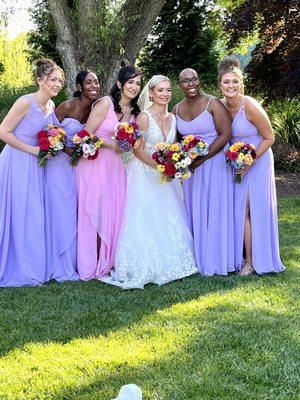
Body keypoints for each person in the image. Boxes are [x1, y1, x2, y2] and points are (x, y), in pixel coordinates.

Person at [101, 75, 197, 289]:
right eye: (160, 90)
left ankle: (173, 259)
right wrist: (160, 167)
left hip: (166, 176)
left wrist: (175, 163)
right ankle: (141, 264)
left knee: (168, 215)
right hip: (145, 173)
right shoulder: (144, 117)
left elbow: (172, 147)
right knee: (145, 217)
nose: (165, 94)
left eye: (168, 90)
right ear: (151, 93)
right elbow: (137, 150)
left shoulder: (174, 118)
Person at [218, 58, 285, 275]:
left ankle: (251, 261)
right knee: (239, 209)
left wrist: (250, 161)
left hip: (258, 161)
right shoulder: (220, 106)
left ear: (241, 85)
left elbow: (269, 137)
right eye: (226, 82)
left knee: (250, 208)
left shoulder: (250, 105)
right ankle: (240, 257)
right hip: (237, 164)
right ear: (220, 85)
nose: (231, 86)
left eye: (234, 82)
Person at [0, 58, 63, 287]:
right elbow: (3, 132)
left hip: (35, 164)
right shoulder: (25, 102)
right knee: (17, 210)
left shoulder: (51, 107)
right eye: (52, 79)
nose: (57, 84)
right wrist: (33, 150)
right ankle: (15, 266)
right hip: (16, 160)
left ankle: (30, 267)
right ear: (40, 80)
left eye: (59, 80)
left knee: (32, 213)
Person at [76, 65, 142, 280]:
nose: (134, 87)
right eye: (130, 82)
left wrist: (126, 146)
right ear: (119, 84)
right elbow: (85, 134)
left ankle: (109, 260)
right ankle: (90, 263)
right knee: (94, 210)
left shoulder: (135, 113)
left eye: (138, 83)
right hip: (94, 163)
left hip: (115, 167)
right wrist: (111, 144)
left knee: (114, 212)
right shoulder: (105, 103)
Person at [173, 68, 235, 276]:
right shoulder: (176, 109)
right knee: (195, 209)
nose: (190, 84)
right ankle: (199, 257)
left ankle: (218, 258)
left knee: (215, 209)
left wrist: (203, 158)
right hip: (192, 169)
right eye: (185, 81)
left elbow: (226, 134)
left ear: (199, 81)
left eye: (194, 79)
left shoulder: (213, 103)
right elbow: (175, 141)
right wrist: (181, 160)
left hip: (214, 163)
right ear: (180, 85)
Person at [44, 70, 100, 282]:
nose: (94, 85)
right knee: (63, 211)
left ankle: (77, 261)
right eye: (89, 82)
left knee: (77, 212)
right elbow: (48, 131)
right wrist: (68, 149)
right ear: (79, 86)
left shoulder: (96, 108)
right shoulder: (68, 105)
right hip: (59, 166)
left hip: (79, 169)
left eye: (96, 82)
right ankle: (59, 262)